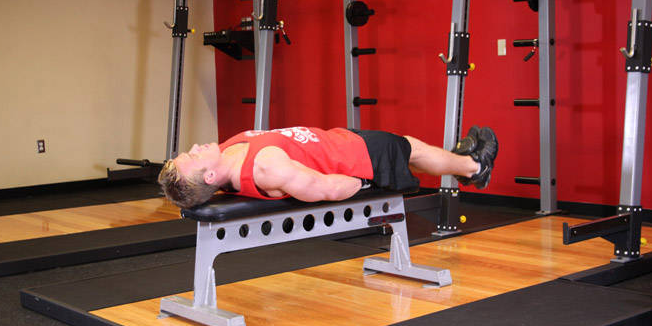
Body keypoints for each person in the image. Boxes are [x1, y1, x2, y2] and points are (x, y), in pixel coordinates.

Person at [159, 125, 498, 208]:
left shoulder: (224, 155)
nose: (194, 148)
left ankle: (463, 165)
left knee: (409, 152)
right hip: (357, 158)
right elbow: (325, 189)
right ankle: (473, 166)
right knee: (411, 148)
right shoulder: (266, 169)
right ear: (210, 176)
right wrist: (366, 182)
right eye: (192, 157)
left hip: (338, 141)